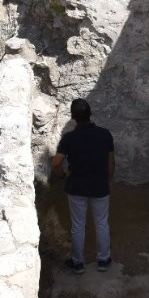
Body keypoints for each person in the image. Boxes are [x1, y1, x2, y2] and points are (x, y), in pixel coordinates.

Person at [51, 98, 115, 274]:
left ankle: (78, 263)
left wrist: (62, 175)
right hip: (99, 186)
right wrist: (108, 181)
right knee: (102, 223)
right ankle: (103, 260)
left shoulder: (69, 138)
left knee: (78, 225)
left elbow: (56, 163)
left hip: (76, 187)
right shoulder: (105, 134)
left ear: (73, 117)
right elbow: (111, 161)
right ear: (90, 114)